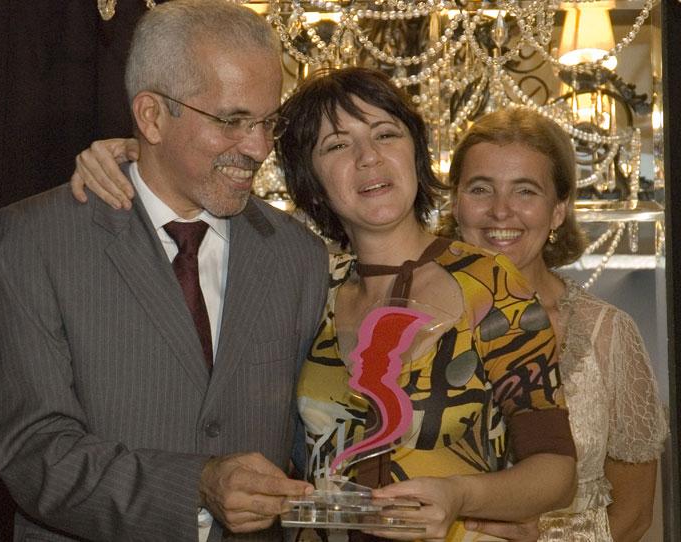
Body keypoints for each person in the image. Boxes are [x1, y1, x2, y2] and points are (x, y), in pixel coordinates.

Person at [70, 67, 578, 541]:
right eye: (337, 145)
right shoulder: (305, 281)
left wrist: (462, 497)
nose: (368, 158)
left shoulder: (492, 286)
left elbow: (556, 470)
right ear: (310, 182)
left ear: (416, 152)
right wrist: (131, 157)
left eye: (386, 134)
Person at [0, 2, 328, 541]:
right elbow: (35, 453)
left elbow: (314, 440)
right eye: (232, 121)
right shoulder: (36, 241)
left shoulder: (297, 254)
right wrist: (196, 486)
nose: (258, 148)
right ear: (152, 117)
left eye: (267, 122)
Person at [448, 108, 669, 541]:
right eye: (481, 189)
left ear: (558, 210)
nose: (500, 211)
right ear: (455, 202)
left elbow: (634, 514)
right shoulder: (415, 320)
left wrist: (547, 537)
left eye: (525, 191)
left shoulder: (607, 332)